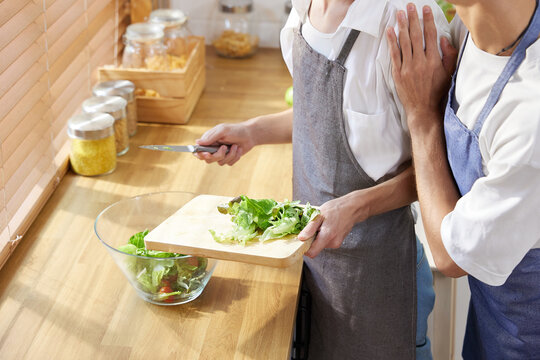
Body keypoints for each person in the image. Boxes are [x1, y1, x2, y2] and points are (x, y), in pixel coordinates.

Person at [195, 1, 449, 358]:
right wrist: (252, 132)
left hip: (379, 278)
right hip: (314, 267)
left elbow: (441, 162)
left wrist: (356, 207)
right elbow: (324, 114)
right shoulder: (303, 9)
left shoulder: (406, 20)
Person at [387, 0, 540, 358]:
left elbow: (450, 258)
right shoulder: (471, 28)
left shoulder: (531, 117)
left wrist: (422, 117)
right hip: (493, 322)